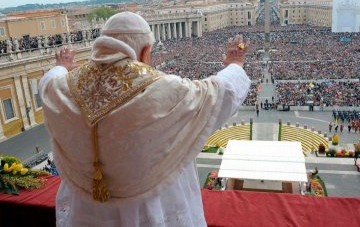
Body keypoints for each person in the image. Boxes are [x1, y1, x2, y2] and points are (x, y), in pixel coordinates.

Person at [39, 12, 251, 226]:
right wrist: (235, 63)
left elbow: (48, 81)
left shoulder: (61, 88)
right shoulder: (165, 91)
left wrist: (61, 65)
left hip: (88, 213)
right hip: (151, 212)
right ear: (145, 51)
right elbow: (221, 92)